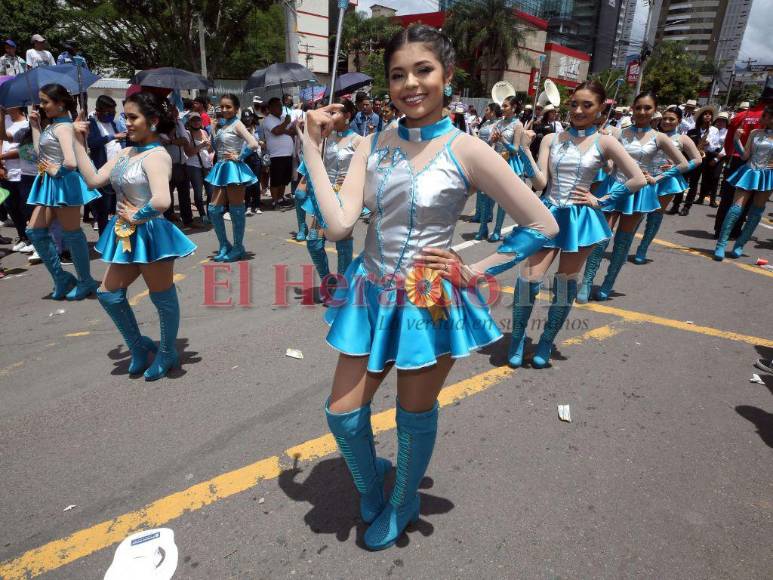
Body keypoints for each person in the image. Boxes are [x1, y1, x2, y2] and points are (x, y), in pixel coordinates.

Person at [300, 24, 558, 551]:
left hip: (428, 300)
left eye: (423, 70)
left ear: (447, 77)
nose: (410, 84)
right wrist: (310, 148)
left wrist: (478, 270)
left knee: (413, 414)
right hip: (372, 294)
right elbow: (340, 227)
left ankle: (402, 502)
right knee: (343, 413)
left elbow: (543, 225)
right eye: (398, 75)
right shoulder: (372, 144)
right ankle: (372, 486)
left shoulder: (469, 149)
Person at [509, 80, 646, 367]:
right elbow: (541, 182)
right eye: (574, 104)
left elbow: (637, 178)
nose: (579, 110)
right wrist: (523, 151)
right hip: (548, 213)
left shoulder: (606, 141)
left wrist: (604, 200)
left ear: (600, 110)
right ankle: (518, 339)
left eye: (587, 105)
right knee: (527, 280)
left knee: (564, 284)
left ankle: (546, 341)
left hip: (580, 219)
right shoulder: (550, 139)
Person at [72, 91, 196, 380]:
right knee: (108, 293)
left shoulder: (158, 156)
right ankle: (138, 346)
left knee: (161, 297)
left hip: (151, 233)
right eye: (125, 117)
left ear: (152, 121)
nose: (126, 122)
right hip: (126, 233)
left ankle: (166, 352)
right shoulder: (126, 153)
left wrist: (136, 216)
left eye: (132, 117)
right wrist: (78, 142)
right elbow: (93, 180)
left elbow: (162, 201)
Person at [578, 91, 691, 303]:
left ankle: (608, 283)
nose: (641, 112)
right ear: (632, 108)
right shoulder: (619, 133)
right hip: (613, 187)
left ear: (654, 111)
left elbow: (684, 164)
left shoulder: (660, 138)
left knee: (623, 240)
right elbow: (609, 161)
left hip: (638, 192)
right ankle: (586, 282)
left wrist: (658, 177)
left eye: (647, 108)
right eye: (638, 107)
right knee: (601, 236)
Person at [25, 83, 100, 301]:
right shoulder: (53, 126)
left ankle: (85, 280)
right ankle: (61, 277)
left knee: (72, 233)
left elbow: (71, 162)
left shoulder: (65, 127)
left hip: (65, 183)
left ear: (60, 104)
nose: (41, 105)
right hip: (51, 182)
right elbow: (39, 153)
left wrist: (53, 171)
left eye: (46, 101)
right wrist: (35, 126)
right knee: (34, 231)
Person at [295, 98, 360, 284]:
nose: (329, 116)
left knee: (342, 242)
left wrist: (351, 180)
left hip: (347, 198)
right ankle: (327, 282)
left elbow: (368, 168)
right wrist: (304, 180)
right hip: (325, 196)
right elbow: (314, 161)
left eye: (334, 112)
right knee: (313, 241)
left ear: (347, 116)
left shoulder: (358, 140)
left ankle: (343, 286)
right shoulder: (325, 139)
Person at [632, 105, 702, 264]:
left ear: (679, 121)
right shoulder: (652, 134)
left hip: (667, 181)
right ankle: (624, 246)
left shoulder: (683, 138)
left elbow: (697, 159)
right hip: (646, 177)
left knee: (655, 215)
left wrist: (676, 168)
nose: (667, 122)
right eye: (664, 118)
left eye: (671, 119)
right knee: (637, 213)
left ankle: (642, 248)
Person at [204, 94, 260, 262]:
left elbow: (253, 143)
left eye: (228, 107)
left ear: (236, 109)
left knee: (236, 209)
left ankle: (238, 247)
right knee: (213, 210)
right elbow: (216, 147)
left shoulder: (237, 123)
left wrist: (240, 156)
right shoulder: (222, 125)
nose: (224, 110)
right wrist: (213, 133)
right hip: (221, 167)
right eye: (222, 106)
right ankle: (224, 244)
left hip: (233, 169)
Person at [713, 105, 772, 261]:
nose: (761, 118)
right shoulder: (754, 133)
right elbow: (745, 156)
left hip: (767, 176)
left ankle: (739, 244)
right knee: (735, 209)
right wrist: (736, 139)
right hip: (749, 171)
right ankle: (721, 244)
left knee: (756, 213)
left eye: (764, 115)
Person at [486, 95, 528, 241]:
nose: (502, 108)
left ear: (514, 108)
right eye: (502, 106)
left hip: (508, 162)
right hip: (495, 160)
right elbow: (490, 140)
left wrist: (502, 139)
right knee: (488, 195)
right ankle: (483, 227)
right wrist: (493, 138)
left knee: (503, 200)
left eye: (505, 106)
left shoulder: (518, 125)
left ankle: (497, 230)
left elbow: (515, 149)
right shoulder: (499, 122)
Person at [87, 95, 127, 235]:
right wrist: (113, 137)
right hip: (102, 170)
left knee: (119, 207)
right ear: (98, 110)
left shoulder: (113, 124)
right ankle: (104, 238)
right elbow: (92, 143)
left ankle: (121, 234)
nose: (111, 114)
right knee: (103, 208)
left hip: (119, 170)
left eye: (113, 111)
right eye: (108, 112)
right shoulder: (92, 123)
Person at [0, 106, 34, 253]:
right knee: (11, 207)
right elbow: (2, 140)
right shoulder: (6, 121)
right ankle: (23, 237)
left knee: (26, 208)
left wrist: (1, 157)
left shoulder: (27, 124)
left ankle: (34, 240)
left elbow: (25, 151)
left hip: (22, 173)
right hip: (6, 173)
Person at [672, 104, 717, 216]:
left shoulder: (713, 131)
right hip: (688, 158)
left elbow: (714, 147)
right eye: (705, 114)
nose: (707, 116)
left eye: (709, 115)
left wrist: (708, 144)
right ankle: (676, 204)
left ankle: (687, 206)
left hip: (701, 159)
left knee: (694, 183)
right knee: (682, 181)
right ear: (701, 116)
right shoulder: (692, 130)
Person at [158, 106, 193, 227]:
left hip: (182, 164)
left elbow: (185, 140)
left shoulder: (179, 124)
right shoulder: (161, 126)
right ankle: (169, 219)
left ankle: (188, 220)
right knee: (167, 194)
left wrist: (174, 140)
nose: (174, 113)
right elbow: (164, 140)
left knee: (185, 194)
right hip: (168, 165)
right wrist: (173, 139)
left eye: (175, 111)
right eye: (171, 111)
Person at [472, 102, 501, 238]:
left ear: (493, 111)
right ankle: (479, 215)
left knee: (489, 192)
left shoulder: (498, 124)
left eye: (488, 110)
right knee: (480, 190)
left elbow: (493, 142)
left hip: (492, 157)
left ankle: (488, 216)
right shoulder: (485, 123)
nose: (485, 112)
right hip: (481, 157)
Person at [262, 97, 295, 209]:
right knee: (276, 180)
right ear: (270, 108)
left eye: (280, 105)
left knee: (285, 179)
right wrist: (285, 125)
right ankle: (275, 201)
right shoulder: (268, 119)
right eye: (277, 105)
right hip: (277, 155)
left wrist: (288, 124)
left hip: (288, 154)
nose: (280, 108)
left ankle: (281, 198)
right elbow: (276, 131)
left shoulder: (283, 118)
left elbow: (293, 131)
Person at [184, 112, 213, 223]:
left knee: (211, 191)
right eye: (194, 120)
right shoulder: (187, 134)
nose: (196, 122)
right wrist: (201, 145)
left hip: (206, 165)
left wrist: (209, 145)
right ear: (190, 122)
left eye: (198, 120)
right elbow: (189, 152)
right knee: (198, 192)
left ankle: (210, 213)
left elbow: (210, 150)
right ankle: (202, 214)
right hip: (194, 165)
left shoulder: (204, 132)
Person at [696, 111, 729, 207]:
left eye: (723, 121)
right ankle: (701, 197)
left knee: (715, 178)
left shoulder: (727, 132)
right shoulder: (711, 129)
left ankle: (713, 200)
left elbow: (726, 147)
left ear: (726, 122)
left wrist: (716, 159)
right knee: (705, 176)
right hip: (708, 153)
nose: (720, 122)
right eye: (719, 120)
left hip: (719, 155)